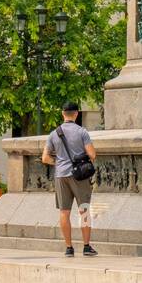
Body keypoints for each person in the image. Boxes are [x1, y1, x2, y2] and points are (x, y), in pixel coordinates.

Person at [41, 104, 97, 257]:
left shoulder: (54, 134)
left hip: (61, 176)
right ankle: (86, 247)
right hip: (79, 176)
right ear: (76, 114)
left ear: (62, 113)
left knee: (64, 212)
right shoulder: (82, 132)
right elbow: (92, 154)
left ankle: (69, 248)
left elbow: (45, 158)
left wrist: (58, 163)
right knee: (84, 210)